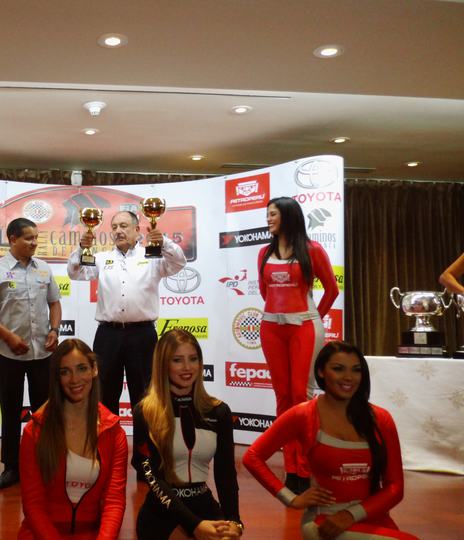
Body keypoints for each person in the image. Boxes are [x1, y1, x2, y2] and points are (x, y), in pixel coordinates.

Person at [243, 341, 417, 540]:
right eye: (338, 369)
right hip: (325, 521)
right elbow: (252, 457)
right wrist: (291, 499)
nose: (348, 377)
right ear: (321, 371)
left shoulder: (380, 418)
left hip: (370, 516)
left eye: (356, 370)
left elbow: (395, 488)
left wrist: (350, 514)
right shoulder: (303, 414)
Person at [67, 210, 186, 468]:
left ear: (137, 230)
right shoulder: (102, 258)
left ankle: (144, 460)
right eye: (114, 227)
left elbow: (179, 263)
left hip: (142, 335)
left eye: (124, 226)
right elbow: (75, 273)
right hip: (108, 335)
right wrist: (81, 249)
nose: (118, 231)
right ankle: (106, 455)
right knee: (104, 396)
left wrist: (163, 241)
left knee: (144, 398)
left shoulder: (152, 255)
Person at [258, 196, 339, 494]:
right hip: (271, 328)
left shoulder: (312, 250)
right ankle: (290, 468)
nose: (268, 219)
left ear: (288, 216)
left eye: (273, 214)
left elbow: (331, 289)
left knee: (300, 396)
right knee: (282, 397)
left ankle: (303, 469)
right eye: (267, 214)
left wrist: (313, 318)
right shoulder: (264, 253)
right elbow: (265, 291)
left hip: (304, 327)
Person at [0, 217, 62, 490]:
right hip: (8, 353)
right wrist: (8, 336)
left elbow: (54, 302)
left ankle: (43, 463)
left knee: (44, 412)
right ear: (12, 239)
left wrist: (55, 329)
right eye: (28, 238)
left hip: (42, 354)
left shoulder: (44, 269)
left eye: (36, 238)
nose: (34, 243)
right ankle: (11, 466)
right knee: (10, 410)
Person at [134, 329, 243, 540]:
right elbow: (152, 476)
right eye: (177, 360)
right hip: (162, 512)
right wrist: (194, 525)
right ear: (163, 365)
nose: (187, 367)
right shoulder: (145, 412)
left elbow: (226, 474)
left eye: (193, 359)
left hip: (205, 506)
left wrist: (234, 521)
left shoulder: (219, 411)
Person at [18, 339, 128, 539]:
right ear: (57, 378)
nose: (75, 379)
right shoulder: (34, 431)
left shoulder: (114, 432)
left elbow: (114, 501)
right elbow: (33, 506)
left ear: (94, 369)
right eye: (65, 372)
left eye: (82, 368)